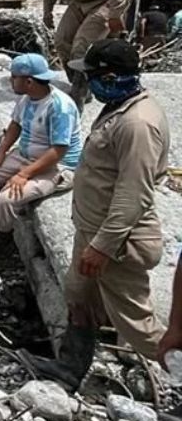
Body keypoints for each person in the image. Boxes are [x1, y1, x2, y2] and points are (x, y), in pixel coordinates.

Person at [24, 39, 170, 395]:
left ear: (111, 76)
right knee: (78, 295)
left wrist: (103, 246)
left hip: (118, 243)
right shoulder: (119, 106)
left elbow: (133, 194)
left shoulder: (138, 124)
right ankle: (70, 368)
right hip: (90, 232)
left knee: (139, 327)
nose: (87, 83)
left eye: (92, 76)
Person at [0, 54, 82, 268]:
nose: (10, 81)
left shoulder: (60, 107)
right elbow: (15, 125)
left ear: (28, 81)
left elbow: (58, 150)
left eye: (13, 77)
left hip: (56, 166)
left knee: (8, 199)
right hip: (24, 155)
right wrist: (1, 151)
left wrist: (24, 174)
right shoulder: (26, 98)